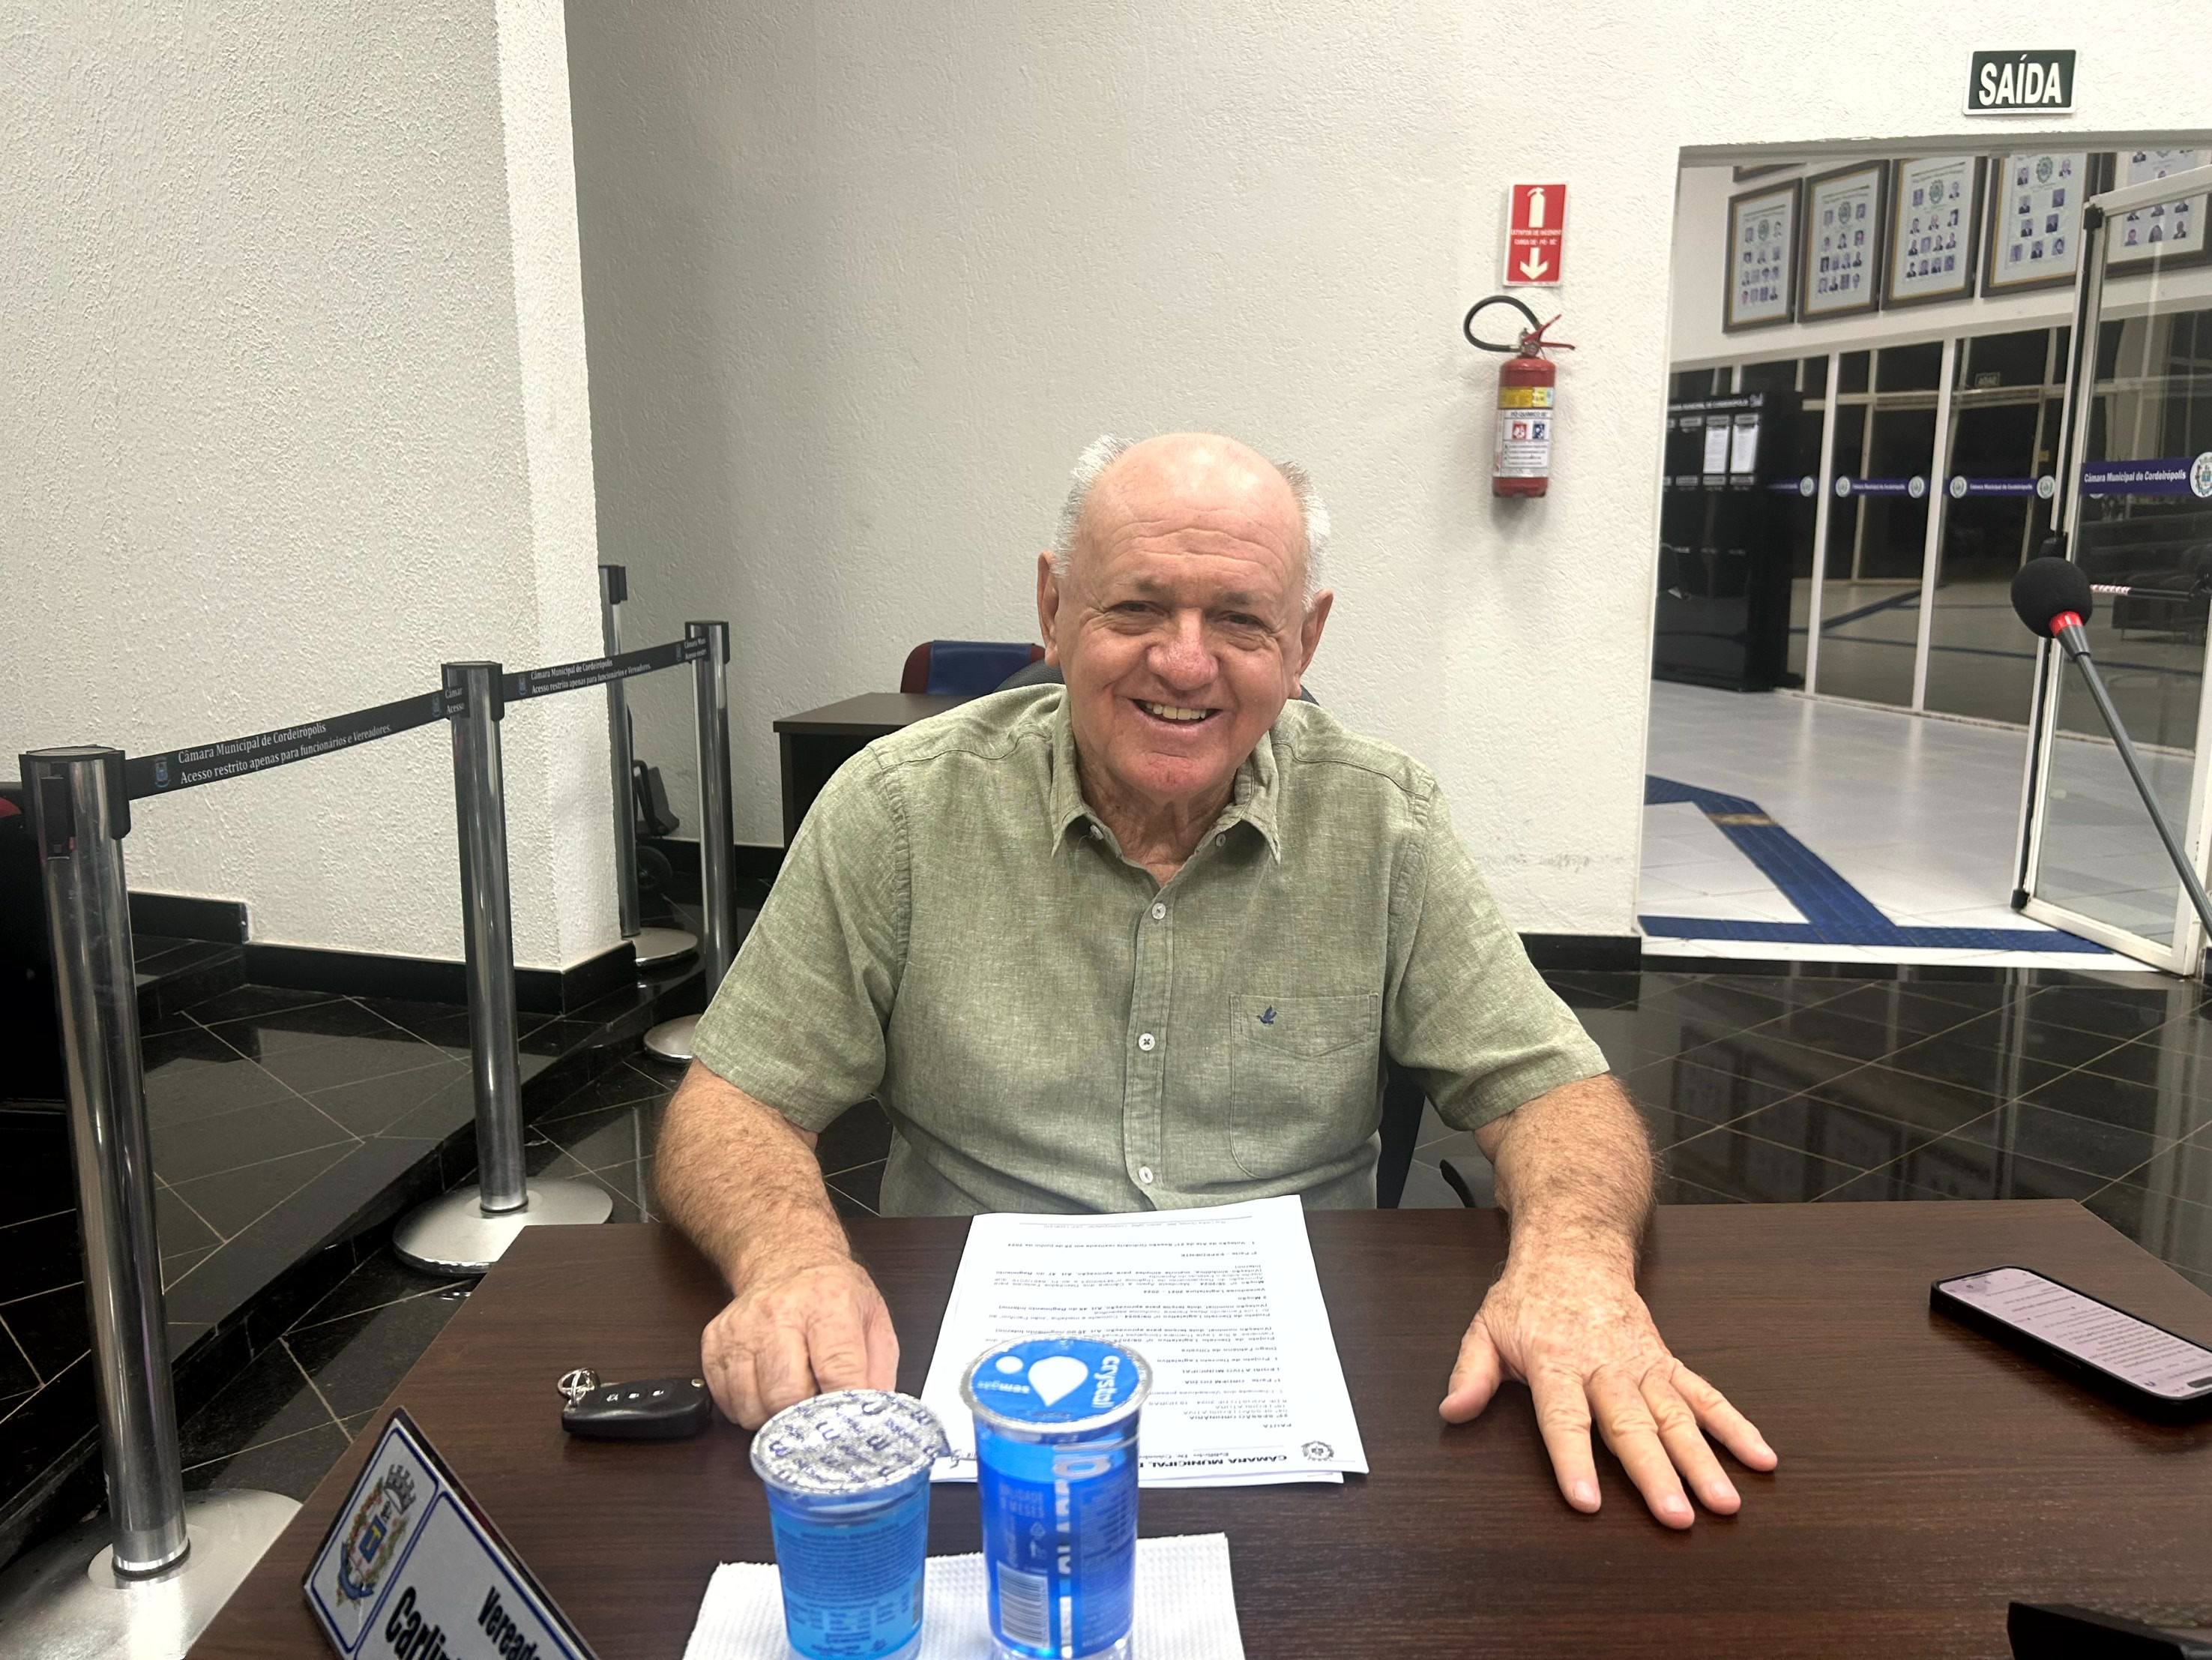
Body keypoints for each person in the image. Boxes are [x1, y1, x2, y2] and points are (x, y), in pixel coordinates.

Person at [657, 432, 1779, 1529]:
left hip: (1304, 1399)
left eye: (1241, 619)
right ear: (1054, 608)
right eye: (1136, 606)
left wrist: (1575, 1268)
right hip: (962, 1400)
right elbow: (735, 1100)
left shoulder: (1382, 820)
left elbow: (1556, 1093)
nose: (1185, 662)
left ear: (1305, 640)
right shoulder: (900, 808)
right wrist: (790, 1260)